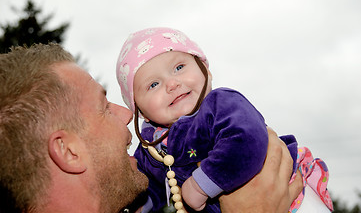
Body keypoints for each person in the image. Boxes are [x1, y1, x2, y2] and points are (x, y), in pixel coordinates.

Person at [0, 43, 302, 213]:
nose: (126, 113)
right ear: (67, 151)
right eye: (104, 107)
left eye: (180, 67)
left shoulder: (220, 108)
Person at [116, 27, 333, 212]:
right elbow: (149, 184)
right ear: (140, 111)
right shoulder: (152, 149)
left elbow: (246, 140)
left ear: (205, 70)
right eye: (153, 85)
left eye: (179, 67)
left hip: (294, 198)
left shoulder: (221, 105)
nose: (171, 84)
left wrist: (202, 185)